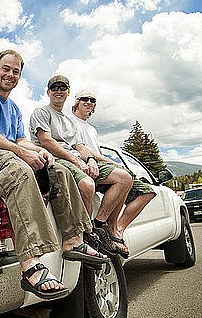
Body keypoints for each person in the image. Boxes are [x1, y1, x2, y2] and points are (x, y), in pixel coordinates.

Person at [0, 50, 108, 300]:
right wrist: (21, 152)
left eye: (15, 71)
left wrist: (41, 152)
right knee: (21, 170)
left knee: (58, 170)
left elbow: (20, 140)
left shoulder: (15, 108)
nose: (10, 74)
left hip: (5, 151)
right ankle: (30, 266)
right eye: (5, 69)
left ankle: (73, 239)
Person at [29, 75, 133, 257]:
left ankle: (99, 225)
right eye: (55, 88)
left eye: (63, 88)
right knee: (87, 185)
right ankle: (86, 234)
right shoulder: (42, 112)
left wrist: (91, 160)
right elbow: (46, 141)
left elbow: (81, 147)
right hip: (56, 159)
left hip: (78, 160)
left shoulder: (70, 121)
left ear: (68, 92)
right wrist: (76, 160)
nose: (59, 91)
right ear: (48, 92)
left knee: (124, 178)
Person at [71, 89, 156, 254]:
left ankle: (117, 229)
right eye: (84, 99)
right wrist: (111, 162)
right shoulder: (71, 122)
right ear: (76, 102)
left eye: (92, 100)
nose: (89, 102)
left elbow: (98, 151)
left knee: (147, 192)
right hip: (87, 165)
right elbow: (82, 149)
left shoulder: (92, 129)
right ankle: (100, 223)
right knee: (124, 178)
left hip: (102, 165)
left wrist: (111, 163)